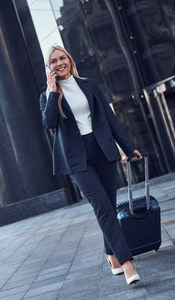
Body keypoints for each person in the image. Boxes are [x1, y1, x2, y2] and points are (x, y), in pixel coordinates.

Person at [39, 45, 143, 286]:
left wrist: (127, 147)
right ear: (49, 68)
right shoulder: (47, 95)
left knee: (109, 204)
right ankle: (127, 262)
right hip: (76, 158)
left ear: (70, 59)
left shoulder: (89, 84)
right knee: (103, 208)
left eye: (62, 57)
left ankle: (110, 255)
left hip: (102, 150)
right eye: (53, 61)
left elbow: (108, 118)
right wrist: (53, 91)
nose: (59, 63)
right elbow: (49, 122)